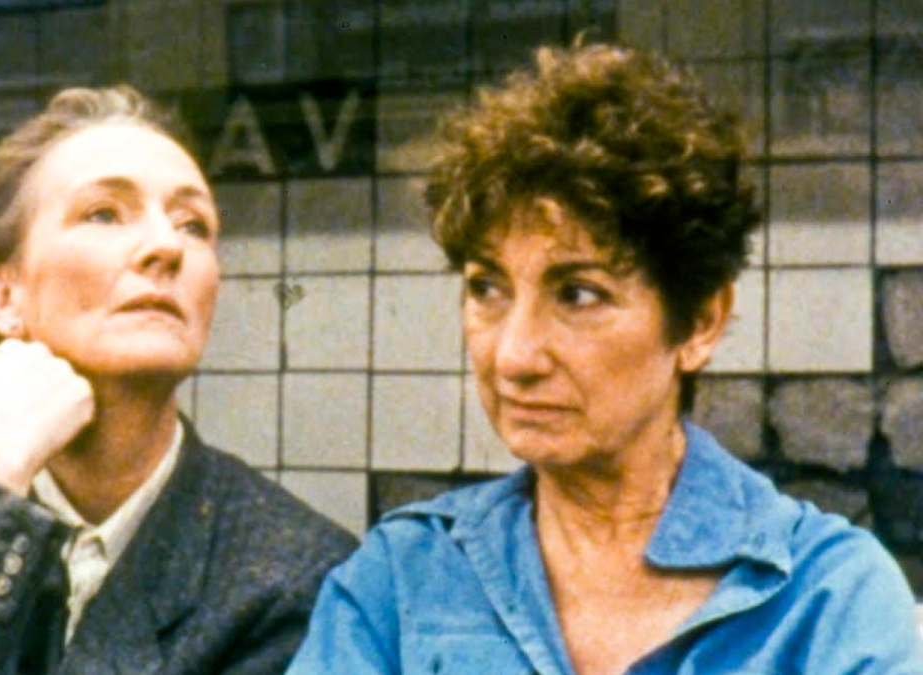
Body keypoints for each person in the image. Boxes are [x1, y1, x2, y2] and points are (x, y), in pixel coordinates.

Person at [288, 41, 923, 674]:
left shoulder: (827, 600)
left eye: (579, 294)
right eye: (487, 287)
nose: (514, 356)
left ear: (700, 322)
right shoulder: (401, 584)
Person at [0, 84, 357, 674]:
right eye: (104, 213)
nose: (166, 246)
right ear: (3, 296)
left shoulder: (291, 569)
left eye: (193, 225)